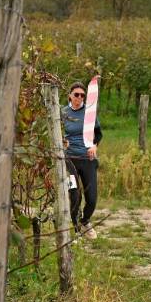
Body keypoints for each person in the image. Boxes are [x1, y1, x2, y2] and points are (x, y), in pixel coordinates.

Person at [63, 81, 103, 239]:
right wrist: (63, 142)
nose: (79, 97)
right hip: (70, 160)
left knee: (91, 198)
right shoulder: (63, 113)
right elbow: (57, 132)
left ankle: (85, 220)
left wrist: (94, 146)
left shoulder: (89, 113)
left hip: (88, 159)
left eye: (82, 95)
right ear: (70, 96)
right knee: (74, 195)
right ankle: (75, 229)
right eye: (76, 95)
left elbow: (98, 134)